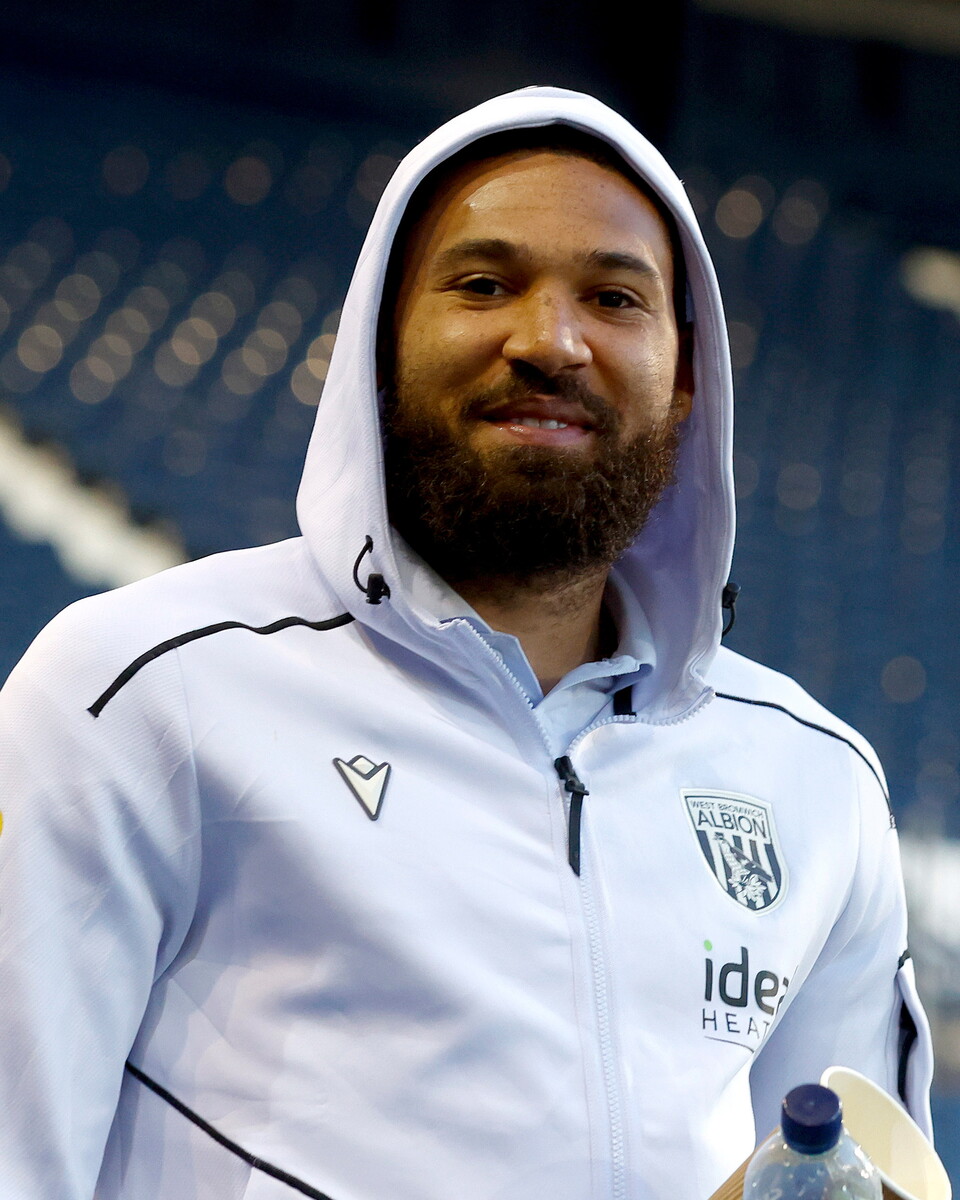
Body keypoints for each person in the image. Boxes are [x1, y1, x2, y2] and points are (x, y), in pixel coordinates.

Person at [0, 87, 933, 1200]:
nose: (549, 340)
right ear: (376, 346)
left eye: (615, 297)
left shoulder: (815, 782)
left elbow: (849, 1168)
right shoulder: (138, 691)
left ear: (688, 380)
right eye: (484, 284)